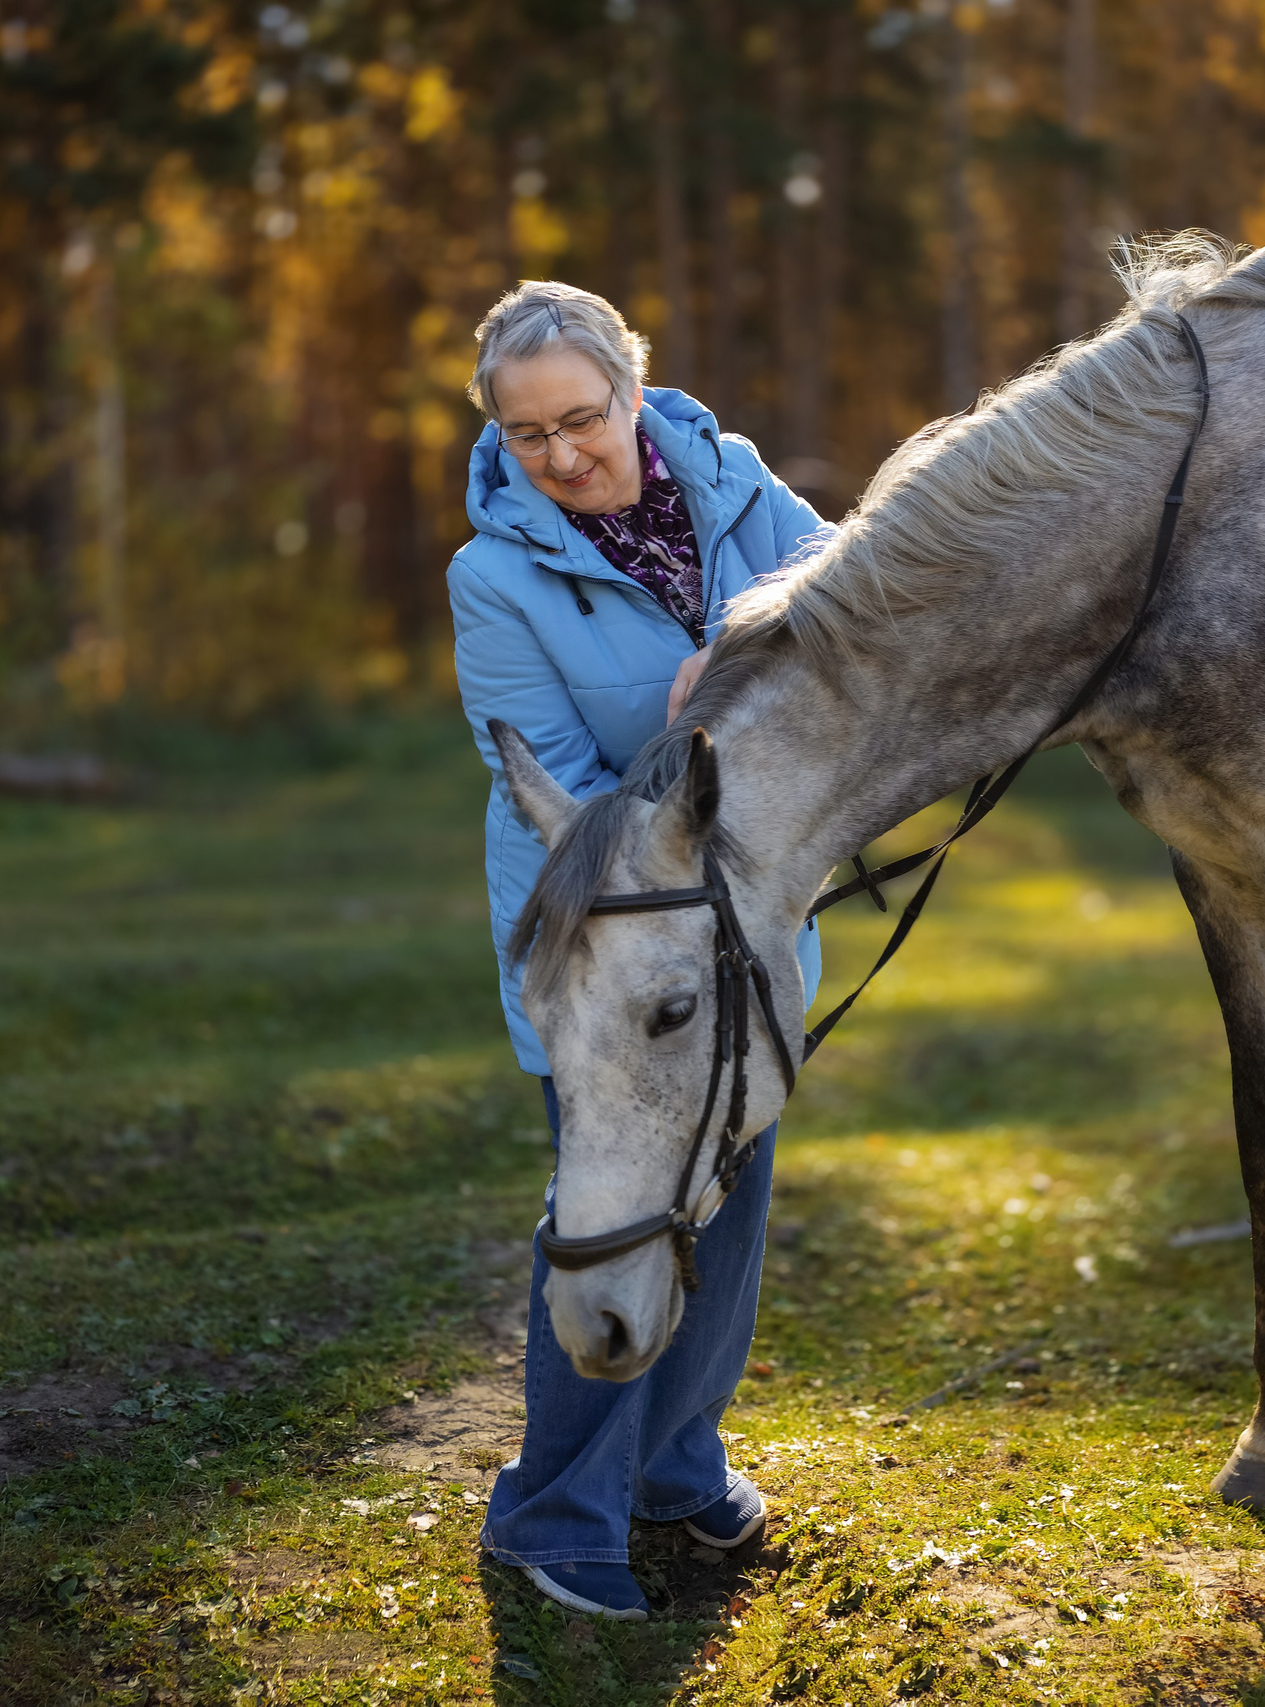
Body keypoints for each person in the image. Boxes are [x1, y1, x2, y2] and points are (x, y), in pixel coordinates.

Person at [448, 280, 832, 1620]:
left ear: (632, 387)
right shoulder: (492, 576)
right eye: (527, 435)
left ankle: (676, 1468)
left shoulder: (742, 493)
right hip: (607, 958)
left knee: (726, 1198)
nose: (561, 456)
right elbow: (551, 791)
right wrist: (697, 720)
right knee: (616, 1207)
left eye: (582, 419)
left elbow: (851, 613)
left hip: (747, 940)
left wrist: (751, 638)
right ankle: (556, 1514)